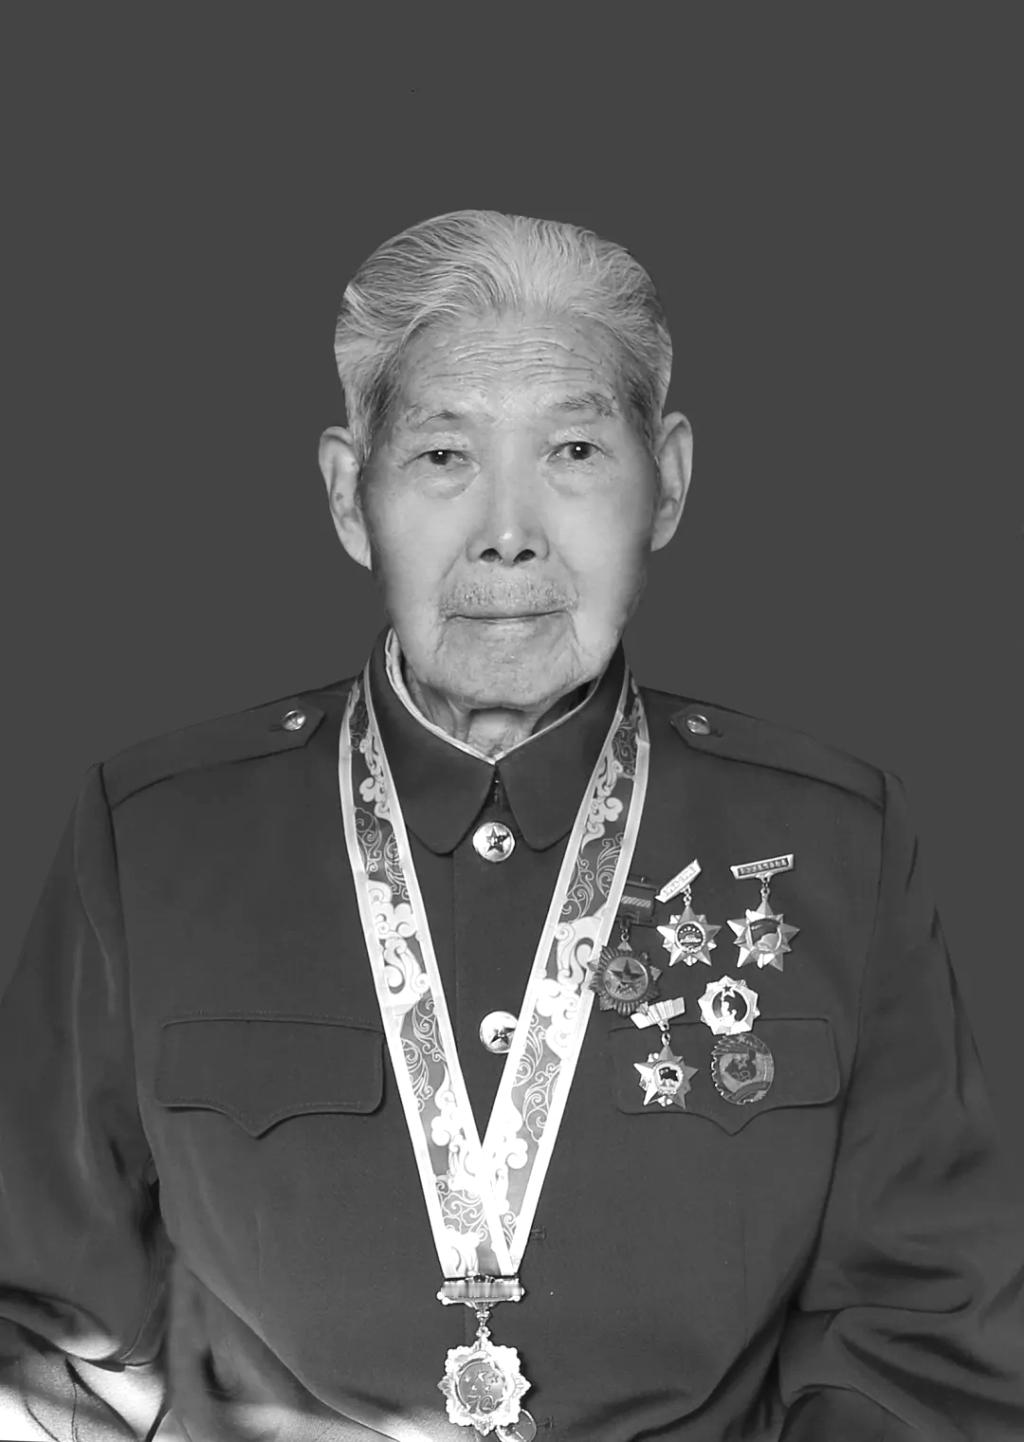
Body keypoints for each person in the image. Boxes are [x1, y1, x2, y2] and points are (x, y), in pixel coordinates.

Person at [1, 209, 1021, 1442]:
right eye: (443, 455)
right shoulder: (156, 836)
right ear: (349, 494)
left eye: (574, 449)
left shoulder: (833, 841)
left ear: (667, 482)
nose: (508, 530)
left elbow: (919, 1335)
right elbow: (40, 1332)